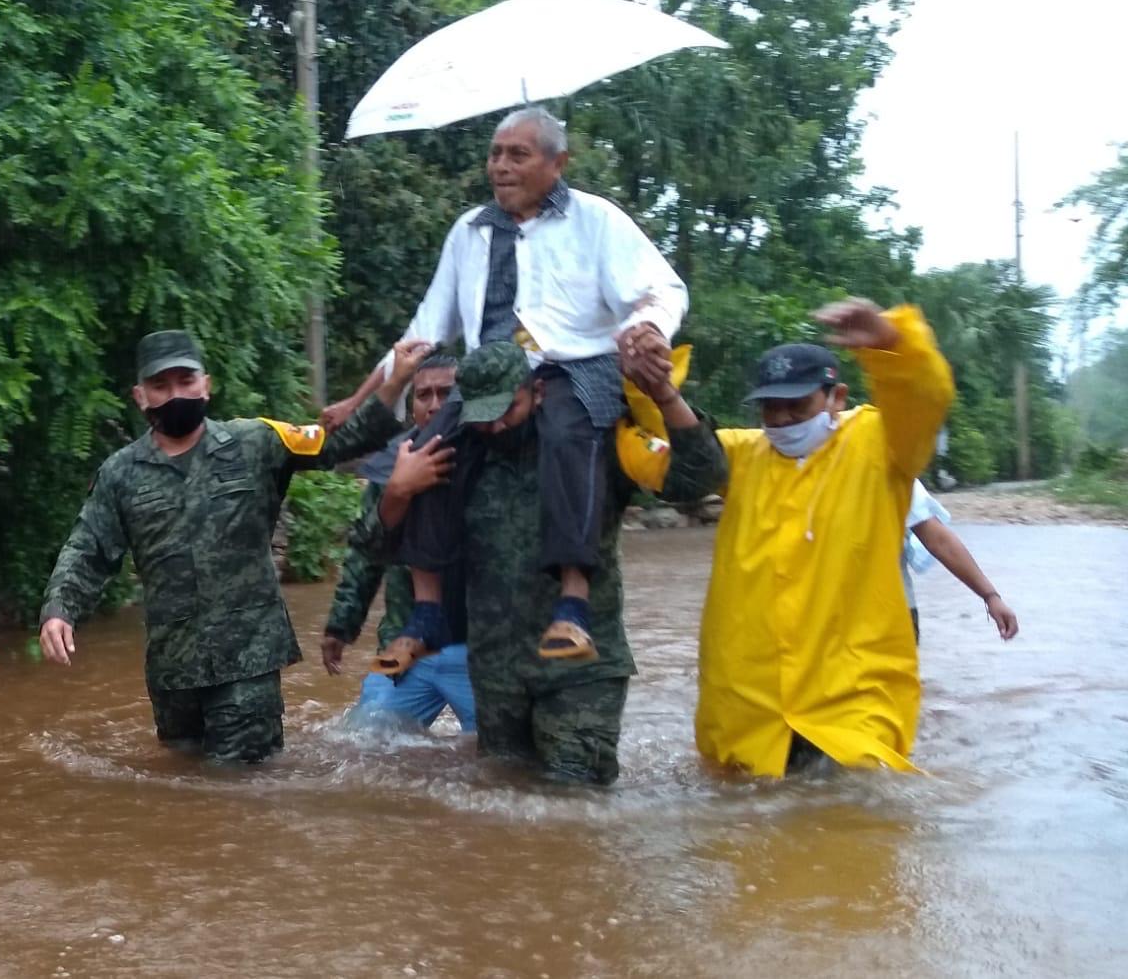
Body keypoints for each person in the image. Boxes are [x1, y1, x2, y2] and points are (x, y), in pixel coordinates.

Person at [324, 106, 688, 670]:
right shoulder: (469, 230)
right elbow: (424, 329)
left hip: (572, 367)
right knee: (422, 453)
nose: (500, 165)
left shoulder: (597, 219)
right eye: (495, 153)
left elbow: (662, 289)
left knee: (570, 431)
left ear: (557, 162)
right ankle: (425, 614)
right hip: (487, 376)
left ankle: (572, 601)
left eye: (518, 154)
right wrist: (361, 396)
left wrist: (648, 327)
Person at [38, 330, 430, 763]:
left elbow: (341, 441)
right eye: (160, 386)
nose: (175, 395)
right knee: (181, 782)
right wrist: (60, 609)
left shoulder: (257, 441)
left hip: (249, 658)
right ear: (140, 396)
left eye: (185, 381)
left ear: (206, 384)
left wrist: (395, 382)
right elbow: (88, 546)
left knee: (239, 787)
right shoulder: (120, 474)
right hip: (174, 668)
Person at [381, 340, 726, 785]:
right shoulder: (457, 455)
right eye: (484, 417)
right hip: (495, 673)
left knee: (574, 801)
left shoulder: (594, 443)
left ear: (538, 392)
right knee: (502, 802)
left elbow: (700, 477)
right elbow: (383, 542)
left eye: (509, 409)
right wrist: (397, 490)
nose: (496, 426)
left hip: (581, 671)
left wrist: (664, 395)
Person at [695, 298, 955, 778]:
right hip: (752, 708)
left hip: (850, 701)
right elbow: (662, 452)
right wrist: (648, 387)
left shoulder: (881, 445)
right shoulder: (740, 456)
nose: (784, 420)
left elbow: (925, 400)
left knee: (856, 822)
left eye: (798, 405)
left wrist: (895, 347)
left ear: (836, 397)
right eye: (771, 409)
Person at [320, 352, 476, 731]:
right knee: (362, 744)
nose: (435, 405)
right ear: (412, 406)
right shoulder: (390, 466)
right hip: (405, 643)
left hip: (480, 649)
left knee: (502, 763)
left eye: (446, 393)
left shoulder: (488, 461)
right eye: (424, 395)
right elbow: (366, 555)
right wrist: (341, 625)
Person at [902, 479, 1019, 641]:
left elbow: (940, 541)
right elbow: (940, 542)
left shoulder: (887, 470)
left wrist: (990, 596)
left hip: (891, 616)